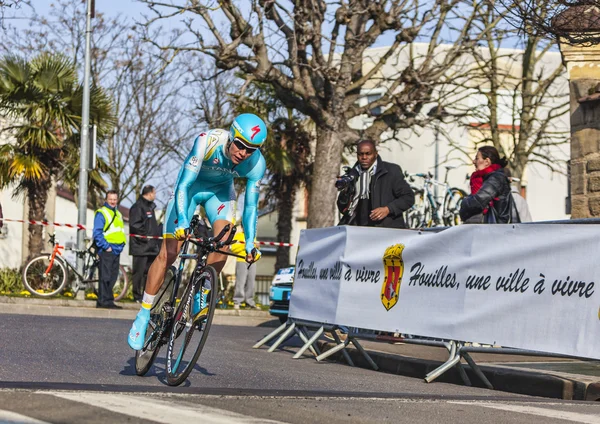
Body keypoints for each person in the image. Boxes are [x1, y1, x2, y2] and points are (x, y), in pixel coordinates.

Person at [127, 113, 266, 350]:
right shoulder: (207, 141)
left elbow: (251, 206)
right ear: (231, 137)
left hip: (219, 194)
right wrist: (182, 220)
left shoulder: (256, 164)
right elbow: (183, 184)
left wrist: (251, 242)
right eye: (241, 145)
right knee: (169, 253)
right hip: (190, 190)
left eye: (250, 149)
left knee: (224, 242)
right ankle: (143, 314)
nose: (243, 153)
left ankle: (202, 289)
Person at [336, 139, 415, 228]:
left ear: (376, 154)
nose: (364, 157)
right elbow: (343, 209)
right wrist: (345, 193)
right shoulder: (352, 175)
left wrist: (388, 209)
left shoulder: (391, 171)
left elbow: (408, 197)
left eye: (368, 153)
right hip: (357, 229)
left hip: (386, 229)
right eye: (360, 154)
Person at [459, 146, 512, 223]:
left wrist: (464, 202)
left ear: (487, 161)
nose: (473, 161)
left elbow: (478, 201)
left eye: (477, 158)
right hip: (487, 229)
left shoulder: (497, 178)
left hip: (494, 230)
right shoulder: (485, 179)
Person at [93, 190, 126, 309]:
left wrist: (121, 246)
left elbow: (120, 231)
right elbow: (97, 233)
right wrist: (107, 247)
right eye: (110, 199)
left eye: (115, 199)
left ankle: (108, 300)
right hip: (108, 249)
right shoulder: (102, 213)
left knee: (112, 277)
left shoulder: (118, 213)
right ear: (106, 200)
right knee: (105, 277)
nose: (113, 201)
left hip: (116, 249)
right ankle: (103, 301)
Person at [128, 185, 161, 303]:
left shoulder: (150, 207)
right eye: (154, 193)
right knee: (139, 273)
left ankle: (146, 296)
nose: (155, 195)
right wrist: (146, 238)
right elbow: (135, 225)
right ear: (150, 193)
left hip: (151, 247)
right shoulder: (138, 207)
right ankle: (137, 296)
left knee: (150, 273)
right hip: (140, 247)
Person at [230, 228, 260, 310]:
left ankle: (249, 302)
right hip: (241, 260)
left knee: (251, 282)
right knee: (241, 282)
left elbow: (255, 249)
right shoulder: (238, 236)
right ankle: (237, 302)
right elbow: (233, 249)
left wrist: (257, 247)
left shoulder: (252, 237)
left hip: (252, 262)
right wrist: (245, 245)